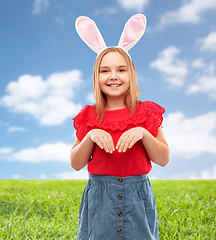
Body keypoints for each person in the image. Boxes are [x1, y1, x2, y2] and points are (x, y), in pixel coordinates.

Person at [70, 14, 170, 240]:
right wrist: (91, 136)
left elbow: (163, 158)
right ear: (96, 76)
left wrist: (144, 133)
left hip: (138, 195)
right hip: (100, 197)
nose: (113, 76)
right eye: (105, 71)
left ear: (131, 73)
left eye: (121, 70)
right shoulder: (90, 116)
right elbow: (76, 163)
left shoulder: (145, 113)